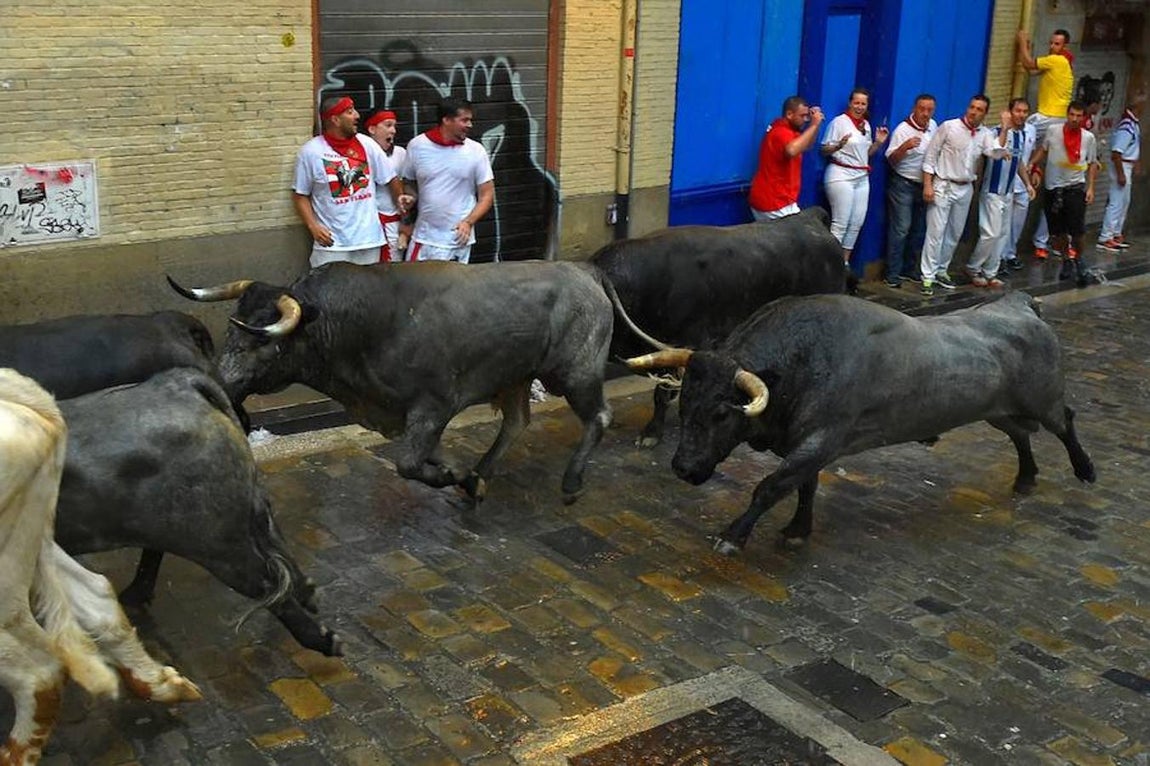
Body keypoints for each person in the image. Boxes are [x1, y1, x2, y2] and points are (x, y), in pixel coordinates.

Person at [293, 96, 407, 268]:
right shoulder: (310, 152)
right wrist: (313, 227)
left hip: (368, 241)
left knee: (367, 285)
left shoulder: (367, 144)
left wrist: (401, 204)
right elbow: (300, 194)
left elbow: (390, 178)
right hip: (332, 245)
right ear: (335, 119)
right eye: (350, 112)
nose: (357, 116)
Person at [918, 95, 1010, 296]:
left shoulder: (984, 134)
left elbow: (995, 152)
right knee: (935, 232)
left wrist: (1004, 128)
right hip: (944, 184)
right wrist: (928, 184)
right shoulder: (949, 127)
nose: (974, 112)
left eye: (979, 109)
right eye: (972, 107)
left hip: (965, 186)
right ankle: (927, 276)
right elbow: (931, 156)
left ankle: (942, 269)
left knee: (954, 233)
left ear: (985, 113)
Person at [402, 97, 495, 263]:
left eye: (470, 120)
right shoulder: (417, 146)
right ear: (446, 120)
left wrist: (468, 222)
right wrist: (410, 197)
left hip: (458, 241)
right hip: (425, 240)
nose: (470, 125)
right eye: (464, 120)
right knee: (415, 281)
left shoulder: (476, 151)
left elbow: (487, 195)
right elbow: (409, 183)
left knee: (456, 282)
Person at [966, 98, 1038, 287]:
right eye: (1018, 111)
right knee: (990, 233)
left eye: (1025, 111)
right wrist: (1005, 128)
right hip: (992, 191)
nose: (1021, 115)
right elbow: (996, 151)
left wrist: (1028, 184)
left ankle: (990, 271)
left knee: (1002, 234)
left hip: (1008, 192)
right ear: (1009, 112)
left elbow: (1019, 162)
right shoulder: (995, 133)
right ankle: (973, 267)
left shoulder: (1021, 135)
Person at [1017, 28, 1074, 260]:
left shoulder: (1057, 61)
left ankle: (1025, 167)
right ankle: (1035, 168)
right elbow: (1034, 71)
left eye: (1057, 44)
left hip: (1048, 117)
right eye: (1051, 42)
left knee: (1021, 128)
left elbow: (1028, 64)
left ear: (1065, 46)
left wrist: (1022, 42)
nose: (1052, 47)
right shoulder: (1063, 63)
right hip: (1056, 120)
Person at [1027, 101, 1099, 285]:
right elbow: (1043, 150)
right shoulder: (1053, 131)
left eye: (1078, 116)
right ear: (1067, 115)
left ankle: (1079, 259)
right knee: (1057, 231)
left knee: (1077, 231)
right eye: (1072, 115)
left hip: (1074, 188)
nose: (1074, 119)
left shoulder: (1088, 138)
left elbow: (1092, 163)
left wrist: (1091, 187)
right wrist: (1032, 164)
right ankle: (1066, 259)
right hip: (1053, 188)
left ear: (1083, 118)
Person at [820, 88, 890, 265]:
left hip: (861, 176)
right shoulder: (839, 122)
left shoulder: (866, 125)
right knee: (840, 222)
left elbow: (865, 154)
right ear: (850, 103)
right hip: (841, 174)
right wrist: (838, 145)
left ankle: (844, 263)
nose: (859, 107)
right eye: (856, 103)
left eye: (863, 104)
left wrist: (878, 143)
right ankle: (829, 265)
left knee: (856, 222)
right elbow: (824, 149)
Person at [883, 94, 937, 287]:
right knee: (901, 229)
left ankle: (909, 269)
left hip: (923, 185)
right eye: (922, 109)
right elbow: (890, 160)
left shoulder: (933, 127)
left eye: (929, 110)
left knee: (918, 229)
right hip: (903, 184)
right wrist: (904, 147)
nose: (925, 113)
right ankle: (892, 273)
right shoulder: (903, 130)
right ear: (914, 108)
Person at [748, 96, 825, 220]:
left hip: (768, 198)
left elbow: (807, 145)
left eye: (807, 116)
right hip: (777, 201)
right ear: (789, 114)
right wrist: (814, 125)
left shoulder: (784, 128)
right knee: (802, 231)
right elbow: (792, 150)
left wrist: (814, 126)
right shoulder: (781, 132)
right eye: (802, 116)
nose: (805, 120)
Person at [364, 110, 413, 262]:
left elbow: (406, 188)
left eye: (394, 126)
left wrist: (405, 228)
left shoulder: (400, 154)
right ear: (372, 129)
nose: (393, 130)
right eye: (388, 125)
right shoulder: (360, 155)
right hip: (367, 224)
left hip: (393, 223)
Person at [1097, 101, 1141, 251]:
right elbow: (1116, 152)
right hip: (1122, 165)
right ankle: (1106, 236)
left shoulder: (1133, 125)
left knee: (1124, 201)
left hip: (1127, 165)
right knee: (1116, 202)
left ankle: (1116, 233)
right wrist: (1121, 174)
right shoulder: (1127, 127)